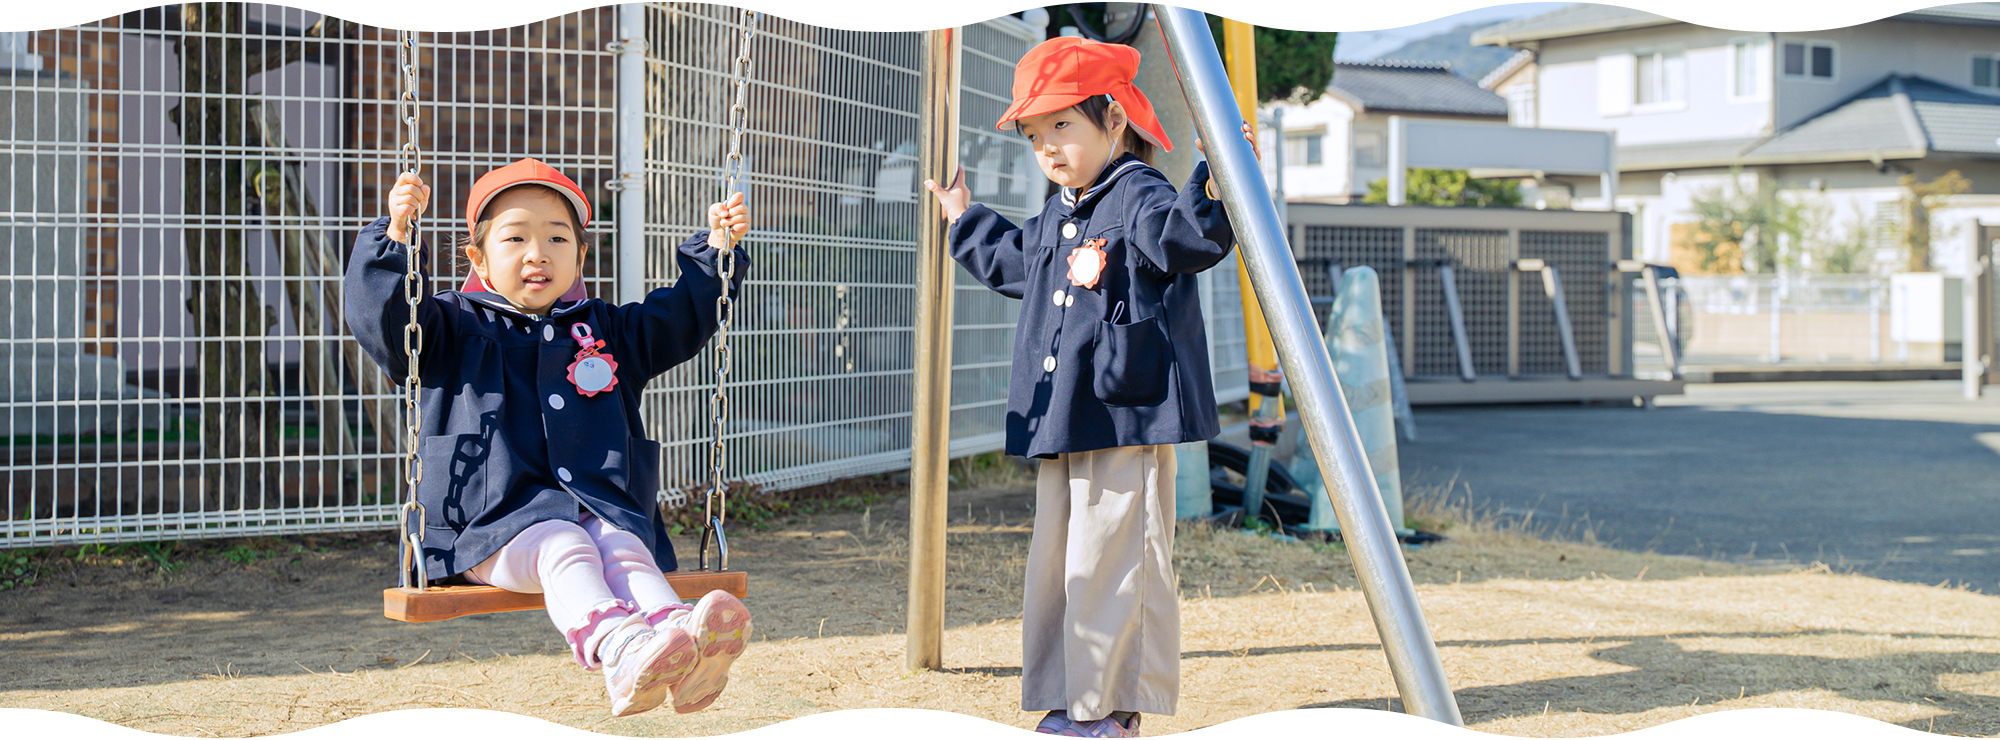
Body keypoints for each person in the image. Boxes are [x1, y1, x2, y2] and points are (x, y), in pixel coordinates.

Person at [923, 36, 1256, 738]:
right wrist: (964, 218)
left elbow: (1185, 242)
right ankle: (1066, 695)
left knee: (1114, 560)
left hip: (1124, 412)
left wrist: (1218, 183)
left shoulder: (1138, 192)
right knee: (1061, 563)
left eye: (1063, 126)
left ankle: (1108, 705)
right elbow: (1017, 263)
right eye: (1035, 134)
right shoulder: (1058, 208)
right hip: (1068, 414)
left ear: (1115, 120)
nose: (1047, 147)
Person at [344, 158, 753, 717]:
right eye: (515, 238)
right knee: (566, 544)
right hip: (489, 532)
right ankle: (621, 647)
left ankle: (677, 635)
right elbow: (387, 324)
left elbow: (678, 320)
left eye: (557, 237)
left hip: (593, 507)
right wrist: (394, 238)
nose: (537, 252)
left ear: (580, 257)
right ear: (478, 259)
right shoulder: (451, 327)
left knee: (622, 541)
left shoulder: (603, 331)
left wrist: (717, 254)